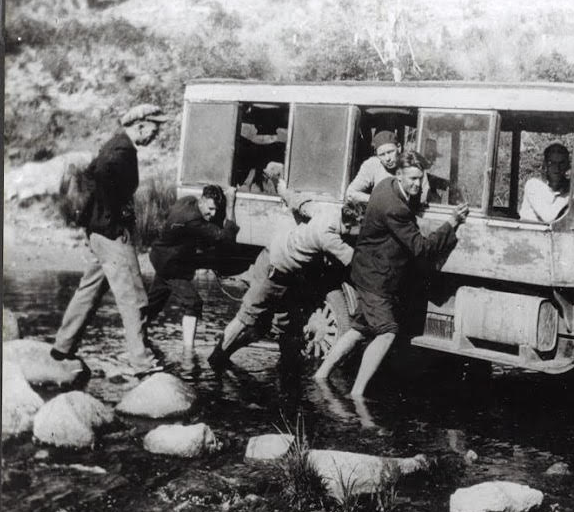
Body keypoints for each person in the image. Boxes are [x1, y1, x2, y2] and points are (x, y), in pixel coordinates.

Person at [315, 151, 469, 397]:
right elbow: (421, 248)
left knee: (358, 330)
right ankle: (357, 394)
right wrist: (451, 223)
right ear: (399, 175)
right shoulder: (395, 207)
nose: (417, 184)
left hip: (366, 271)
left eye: (421, 179)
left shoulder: (384, 186)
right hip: (377, 278)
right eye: (412, 179)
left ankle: (321, 375)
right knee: (387, 333)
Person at [50, 103, 168, 377]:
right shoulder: (122, 151)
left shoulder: (115, 145)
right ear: (140, 125)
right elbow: (102, 177)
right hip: (111, 235)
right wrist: (113, 222)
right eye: (154, 127)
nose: (156, 133)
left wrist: (102, 220)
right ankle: (142, 362)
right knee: (134, 297)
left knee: (89, 290)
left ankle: (62, 346)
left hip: (98, 234)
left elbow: (96, 178)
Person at [207, 180, 365, 367]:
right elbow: (356, 262)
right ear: (351, 224)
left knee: (268, 326)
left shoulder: (327, 212)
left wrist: (284, 190)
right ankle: (216, 357)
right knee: (246, 318)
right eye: (360, 227)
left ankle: (224, 354)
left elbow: (300, 203)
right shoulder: (328, 237)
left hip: (275, 261)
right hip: (274, 271)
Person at [142, 184, 239, 354]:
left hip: (163, 256)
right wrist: (230, 204)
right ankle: (188, 352)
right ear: (201, 201)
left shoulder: (188, 201)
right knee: (193, 303)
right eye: (210, 209)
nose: (213, 214)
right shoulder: (193, 220)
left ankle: (137, 336)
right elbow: (227, 239)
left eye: (216, 210)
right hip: (170, 265)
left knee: (154, 303)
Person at [518, 143, 571, 223]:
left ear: (567, 165)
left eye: (561, 163)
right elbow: (548, 216)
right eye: (552, 163)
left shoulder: (568, 186)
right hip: (529, 233)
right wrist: (573, 195)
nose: (556, 168)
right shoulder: (534, 185)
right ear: (545, 164)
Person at [345, 130, 401, 204]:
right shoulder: (373, 164)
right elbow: (350, 194)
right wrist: (378, 200)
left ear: (399, 148)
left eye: (390, 152)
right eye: (382, 155)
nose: (387, 158)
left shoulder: (408, 164)